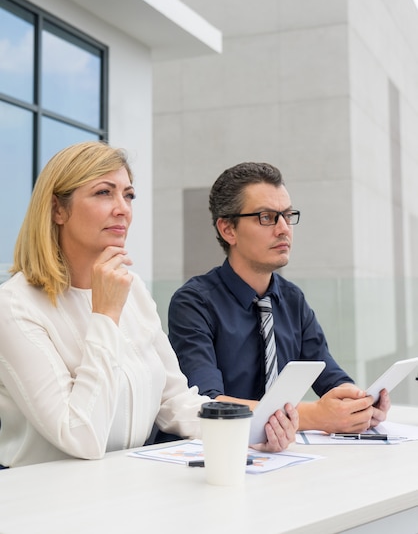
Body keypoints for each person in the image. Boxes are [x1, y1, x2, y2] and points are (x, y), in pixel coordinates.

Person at [0, 143, 297, 468]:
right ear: (58, 209)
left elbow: (175, 401)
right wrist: (105, 315)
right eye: (103, 193)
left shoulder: (133, 290)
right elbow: (80, 436)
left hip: (128, 488)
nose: (122, 209)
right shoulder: (15, 306)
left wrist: (251, 428)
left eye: (128, 195)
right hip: (46, 503)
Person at [168, 162, 391, 434]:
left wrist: (358, 403)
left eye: (287, 215)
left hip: (277, 459)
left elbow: (330, 376)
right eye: (266, 217)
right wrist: (313, 416)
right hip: (212, 458)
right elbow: (206, 405)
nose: (284, 228)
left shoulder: (292, 299)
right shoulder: (194, 303)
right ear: (228, 230)